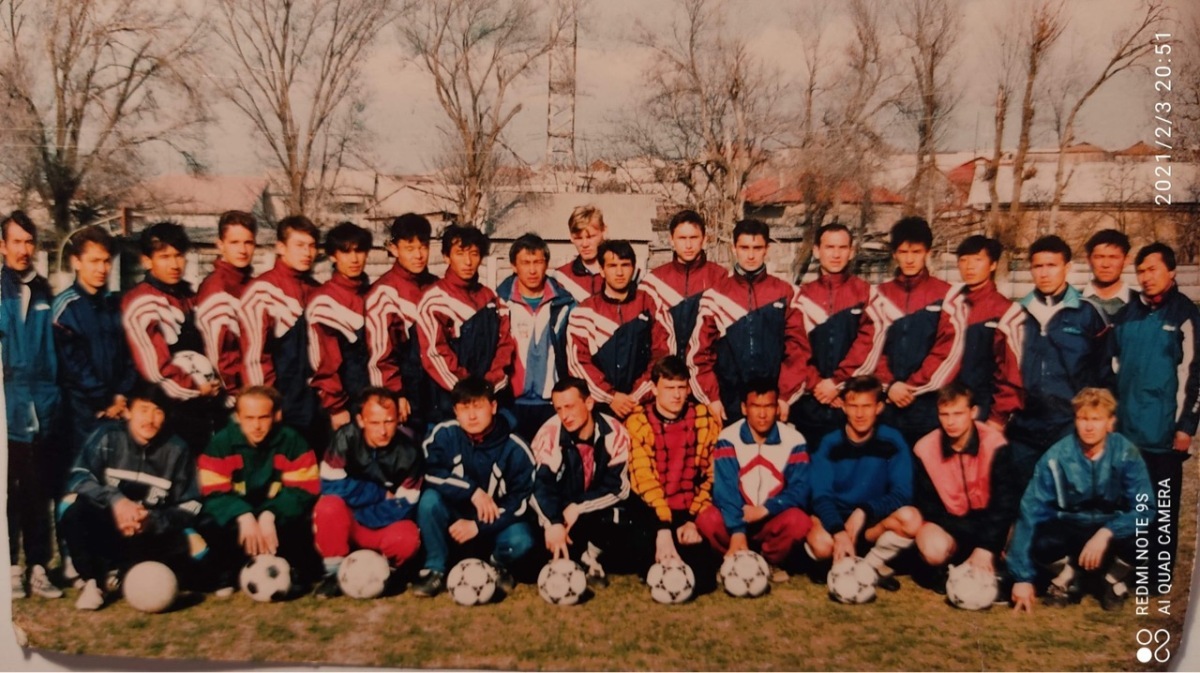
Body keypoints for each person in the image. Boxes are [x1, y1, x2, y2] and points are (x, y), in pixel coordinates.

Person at [60, 383, 203, 610]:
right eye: (143, 410)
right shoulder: (107, 436)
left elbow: (191, 504)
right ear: (127, 411)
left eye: (158, 411)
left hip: (148, 532)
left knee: (191, 561)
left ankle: (121, 572)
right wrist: (116, 500)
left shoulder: (177, 449)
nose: (150, 419)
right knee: (75, 511)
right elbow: (79, 476)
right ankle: (92, 582)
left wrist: (152, 520)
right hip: (108, 525)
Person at [1008, 388, 1150, 612]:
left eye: (1096, 419)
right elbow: (1030, 510)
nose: (1089, 427)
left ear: (1110, 423)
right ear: (1075, 420)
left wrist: (1106, 533)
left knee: (1146, 535)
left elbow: (1145, 507)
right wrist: (1022, 578)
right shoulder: (1057, 456)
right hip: (1071, 526)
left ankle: (1112, 581)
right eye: (1083, 419)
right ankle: (1068, 577)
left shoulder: (1126, 453)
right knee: (1042, 539)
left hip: (1111, 527)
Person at [1111, 242, 1199, 593]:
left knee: (1162, 508)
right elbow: (1112, 367)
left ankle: (1157, 578)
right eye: (1141, 271)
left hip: (1164, 433)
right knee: (1131, 504)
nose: (1146, 277)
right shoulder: (1126, 315)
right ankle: (1129, 569)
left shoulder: (1185, 314)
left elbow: (1194, 374)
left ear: (1171, 271)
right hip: (1127, 431)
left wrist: (1186, 426)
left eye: (1153, 269)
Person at [413, 377, 536, 597]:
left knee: (521, 540)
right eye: (464, 408)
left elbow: (520, 501)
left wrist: (478, 526)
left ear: (493, 406)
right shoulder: (444, 434)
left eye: (478, 407)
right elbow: (430, 472)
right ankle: (435, 568)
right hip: (456, 516)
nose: (471, 416)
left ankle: (498, 565)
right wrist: (472, 491)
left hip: (494, 521)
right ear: (455, 411)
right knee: (429, 501)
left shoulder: (516, 447)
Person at [1006, 235, 1111, 487]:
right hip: (1025, 427)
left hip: (1069, 426)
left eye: (1052, 265)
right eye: (1038, 266)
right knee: (1026, 499)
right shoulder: (1017, 314)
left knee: (1069, 498)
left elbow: (1105, 373)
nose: (1044, 273)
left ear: (1067, 267)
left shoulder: (1088, 313)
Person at [195, 386, 321, 593]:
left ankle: (294, 568)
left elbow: (304, 488)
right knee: (208, 522)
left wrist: (270, 513)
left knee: (306, 518)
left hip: (276, 517)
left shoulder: (292, 440)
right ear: (237, 417)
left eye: (263, 417)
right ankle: (227, 572)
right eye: (249, 418)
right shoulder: (221, 443)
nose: (256, 426)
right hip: (240, 520)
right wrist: (242, 514)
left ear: (276, 415)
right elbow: (212, 491)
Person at [855, 217, 965, 447]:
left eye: (916, 252)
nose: (910, 259)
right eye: (903, 252)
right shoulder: (878, 294)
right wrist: (889, 385)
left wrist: (913, 387)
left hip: (929, 404)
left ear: (928, 252)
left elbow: (948, 350)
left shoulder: (947, 295)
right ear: (894, 254)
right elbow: (869, 346)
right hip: (887, 402)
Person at [687, 218, 807, 424]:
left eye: (757, 248)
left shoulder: (785, 292)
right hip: (729, 404)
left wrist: (786, 396)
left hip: (773, 403)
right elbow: (699, 353)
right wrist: (711, 398)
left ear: (766, 249)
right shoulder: (715, 296)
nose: (750, 255)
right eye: (744, 248)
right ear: (734, 249)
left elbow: (798, 350)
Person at [806, 376, 920, 592]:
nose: (860, 414)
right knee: (822, 546)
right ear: (843, 407)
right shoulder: (829, 442)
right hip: (835, 518)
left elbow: (902, 493)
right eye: (853, 406)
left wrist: (864, 511)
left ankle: (871, 564)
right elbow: (820, 495)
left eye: (866, 406)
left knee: (912, 519)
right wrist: (838, 531)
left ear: (879, 408)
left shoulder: (892, 440)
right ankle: (832, 561)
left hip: (869, 522)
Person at [1, 210, 63, 600]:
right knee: (9, 492)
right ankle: (10, 567)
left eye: (29, 242)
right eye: (16, 242)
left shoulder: (44, 291)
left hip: (43, 407)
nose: (24, 249)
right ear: (2, 246)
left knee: (39, 491)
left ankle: (39, 566)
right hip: (8, 408)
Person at [696, 379, 811, 583]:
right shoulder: (728, 437)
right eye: (756, 406)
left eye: (769, 406)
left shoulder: (794, 440)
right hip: (737, 516)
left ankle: (769, 562)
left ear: (777, 408)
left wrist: (766, 509)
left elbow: (800, 490)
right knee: (707, 519)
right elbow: (725, 490)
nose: (762, 414)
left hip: (770, 518)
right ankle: (732, 559)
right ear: (744, 408)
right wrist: (737, 530)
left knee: (799, 521)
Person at [312, 387, 423, 598]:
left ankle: (388, 574)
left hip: (381, 523)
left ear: (398, 419)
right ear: (361, 420)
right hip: (350, 521)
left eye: (389, 421)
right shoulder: (345, 438)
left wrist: (362, 510)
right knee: (329, 506)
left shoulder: (410, 452)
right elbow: (329, 484)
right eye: (374, 422)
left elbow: (405, 504)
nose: (382, 431)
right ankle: (334, 574)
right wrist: (378, 494)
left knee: (407, 536)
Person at [121, 221, 220, 455]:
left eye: (178, 256)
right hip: (161, 412)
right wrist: (196, 388)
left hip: (198, 409)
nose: (174, 264)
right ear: (147, 261)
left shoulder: (187, 296)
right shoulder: (141, 303)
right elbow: (155, 370)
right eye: (164, 257)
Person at [531, 378, 640, 588]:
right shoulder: (549, 433)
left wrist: (579, 506)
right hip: (559, 512)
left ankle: (590, 556)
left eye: (570, 406)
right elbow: (539, 486)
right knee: (530, 554)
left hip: (593, 509)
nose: (564, 415)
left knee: (626, 525)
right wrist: (553, 522)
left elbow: (619, 488)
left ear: (589, 403)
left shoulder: (614, 432)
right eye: (559, 409)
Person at [911, 383, 1021, 591]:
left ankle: (992, 564)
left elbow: (1005, 503)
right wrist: (973, 539)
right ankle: (953, 566)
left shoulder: (995, 443)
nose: (951, 422)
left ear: (973, 412)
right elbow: (928, 506)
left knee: (1018, 536)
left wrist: (986, 545)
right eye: (944, 414)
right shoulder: (925, 448)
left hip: (988, 520)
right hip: (951, 524)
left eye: (958, 414)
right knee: (932, 548)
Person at [625, 356, 721, 590]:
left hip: (690, 508)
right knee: (650, 561)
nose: (676, 395)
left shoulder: (704, 418)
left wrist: (693, 521)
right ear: (654, 389)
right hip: (653, 511)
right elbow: (644, 481)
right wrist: (663, 529)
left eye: (681, 387)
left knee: (703, 578)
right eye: (669, 388)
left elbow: (713, 475)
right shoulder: (639, 422)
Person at [52, 225, 137, 481]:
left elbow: (130, 355)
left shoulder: (115, 304)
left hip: (117, 411)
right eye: (94, 261)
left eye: (106, 261)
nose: (102, 268)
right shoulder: (65, 309)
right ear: (76, 262)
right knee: (84, 481)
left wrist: (122, 395)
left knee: (116, 480)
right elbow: (76, 368)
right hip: (82, 415)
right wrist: (107, 401)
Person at [416, 224, 516, 423]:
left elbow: (505, 344)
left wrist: (491, 383)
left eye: (474, 254)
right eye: (460, 253)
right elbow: (435, 353)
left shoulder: (491, 298)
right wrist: (468, 390)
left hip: (491, 395)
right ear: (446, 257)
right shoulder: (434, 300)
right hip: (450, 401)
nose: (468, 261)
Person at [787, 222, 876, 444]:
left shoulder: (866, 293)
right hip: (810, 404)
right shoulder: (801, 297)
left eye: (842, 248)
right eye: (829, 247)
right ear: (817, 250)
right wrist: (817, 384)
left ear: (851, 251)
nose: (836, 255)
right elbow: (794, 347)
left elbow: (869, 343)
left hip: (852, 404)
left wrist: (837, 383)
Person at [239, 215, 324, 445]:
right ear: (281, 247)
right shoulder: (261, 292)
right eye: (299, 245)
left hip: (316, 404)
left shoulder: (317, 290)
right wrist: (267, 407)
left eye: (311, 246)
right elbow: (255, 358)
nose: (307, 252)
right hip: (282, 405)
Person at [566, 239, 669, 419]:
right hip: (601, 407)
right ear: (601, 270)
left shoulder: (650, 302)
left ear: (634, 268)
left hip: (644, 405)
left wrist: (636, 396)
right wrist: (610, 396)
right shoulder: (584, 311)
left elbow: (663, 353)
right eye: (612, 266)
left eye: (625, 265)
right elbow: (578, 363)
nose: (619, 272)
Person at [496, 233, 576, 442]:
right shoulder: (500, 304)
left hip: (552, 403)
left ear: (546, 264)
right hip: (511, 403)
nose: (532, 270)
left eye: (538, 262)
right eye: (525, 263)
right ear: (514, 266)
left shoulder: (565, 304)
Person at [364, 213, 439, 430]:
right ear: (394, 249)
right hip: (407, 394)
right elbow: (380, 356)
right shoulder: (383, 293)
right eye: (409, 248)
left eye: (423, 247)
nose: (418, 255)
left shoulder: (437, 286)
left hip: (439, 393)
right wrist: (394, 394)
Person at [946, 235, 1024, 427]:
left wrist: (998, 418)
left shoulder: (1004, 310)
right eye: (964, 260)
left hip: (983, 410)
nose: (969, 267)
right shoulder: (949, 304)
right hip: (945, 408)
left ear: (993, 265)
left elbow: (1011, 372)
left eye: (977, 260)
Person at [308, 221, 373, 431]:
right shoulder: (325, 301)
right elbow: (324, 362)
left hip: (375, 401)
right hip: (345, 406)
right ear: (333, 256)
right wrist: (335, 407)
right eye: (345, 252)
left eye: (359, 251)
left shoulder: (373, 294)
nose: (354, 259)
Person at [640, 209, 728, 356]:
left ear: (704, 239)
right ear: (671, 240)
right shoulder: (653, 281)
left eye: (693, 237)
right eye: (682, 238)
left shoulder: (720, 277)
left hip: (706, 366)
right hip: (664, 366)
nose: (688, 245)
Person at [195, 210, 258, 404]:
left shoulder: (251, 284)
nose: (242, 250)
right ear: (220, 245)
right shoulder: (217, 287)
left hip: (256, 387)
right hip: (234, 396)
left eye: (248, 242)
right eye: (234, 242)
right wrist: (233, 393)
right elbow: (219, 352)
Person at [553, 204, 607, 302]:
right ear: (571, 237)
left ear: (603, 231)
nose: (585, 244)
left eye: (590, 237)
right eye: (578, 238)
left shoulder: (619, 272)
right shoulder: (561, 277)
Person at [1082, 229, 1135, 319]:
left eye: (1113, 257)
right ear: (1088, 260)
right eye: (1099, 257)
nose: (1106, 264)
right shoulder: (1071, 302)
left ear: (1126, 260)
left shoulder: (1142, 304)